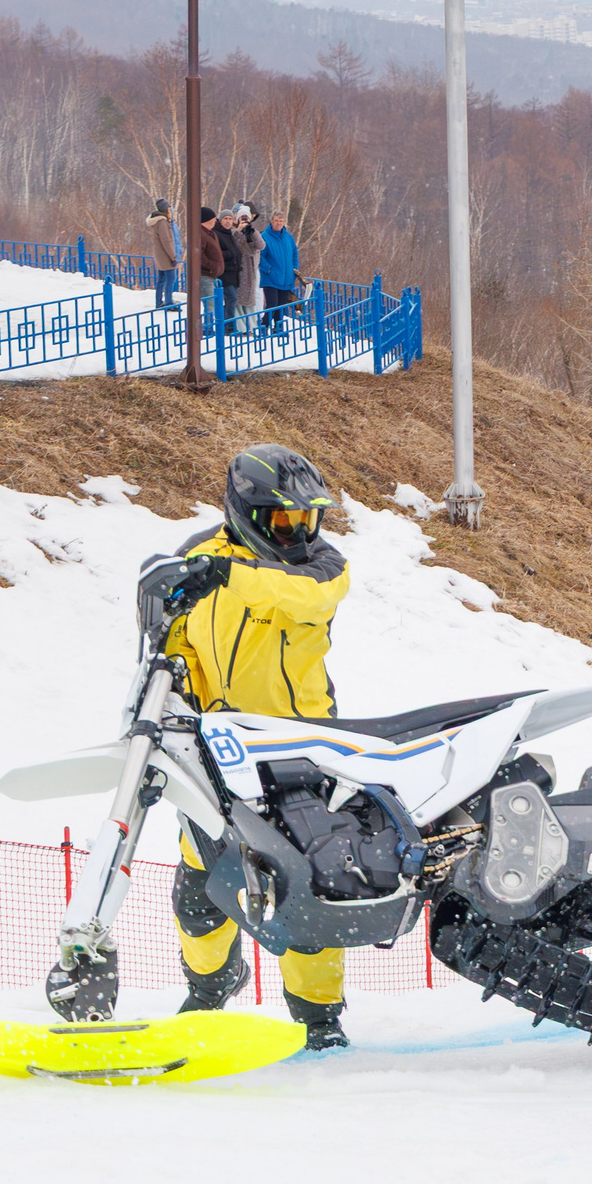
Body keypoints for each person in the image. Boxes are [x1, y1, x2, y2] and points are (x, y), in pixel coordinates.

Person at [164, 445, 354, 1049]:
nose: (299, 532)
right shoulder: (197, 558)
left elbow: (306, 595)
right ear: (245, 512)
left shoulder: (322, 567)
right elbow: (177, 641)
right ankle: (208, 989)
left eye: (307, 520)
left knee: (304, 890)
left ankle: (319, 1021)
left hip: (299, 749)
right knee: (200, 890)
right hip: (216, 750)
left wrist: (225, 575)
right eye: (283, 520)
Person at [257, 208, 301, 330]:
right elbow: (260, 256)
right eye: (276, 220)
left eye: (281, 221)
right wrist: (268, 270)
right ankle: (263, 325)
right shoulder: (264, 236)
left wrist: (294, 269)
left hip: (286, 278)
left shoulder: (288, 237)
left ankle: (279, 328)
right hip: (271, 278)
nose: (279, 223)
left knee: (282, 306)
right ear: (271, 221)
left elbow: (294, 254)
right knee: (272, 305)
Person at [231, 203, 264, 324]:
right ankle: (241, 327)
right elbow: (233, 245)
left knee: (252, 299)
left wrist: (252, 231)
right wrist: (238, 231)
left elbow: (261, 245)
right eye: (242, 217)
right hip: (239, 270)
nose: (244, 220)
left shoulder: (253, 232)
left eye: (246, 218)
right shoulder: (234, 232)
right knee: (239, 300)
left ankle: (252, 325)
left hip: (251, 270)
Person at [145, 198, 180, 309]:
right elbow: (167, 241)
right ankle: (169, 303)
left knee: (161, 280)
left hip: (159, 255)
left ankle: (159, 301)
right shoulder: (162, 222)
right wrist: (173, 257)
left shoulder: (156, 221)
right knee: (170, 278)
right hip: (165, 256)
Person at [213, 202, 245, 321]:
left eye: (230, 219)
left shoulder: (229, 233)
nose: (228, 221)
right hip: (224, 272)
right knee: (231, 298)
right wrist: (231, 253)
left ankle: (226, 322)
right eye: (225, 218)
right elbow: (217, 253)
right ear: (220, 220)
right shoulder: (217, 234)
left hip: (233, 272)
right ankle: (228, 325)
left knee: (230, 299)